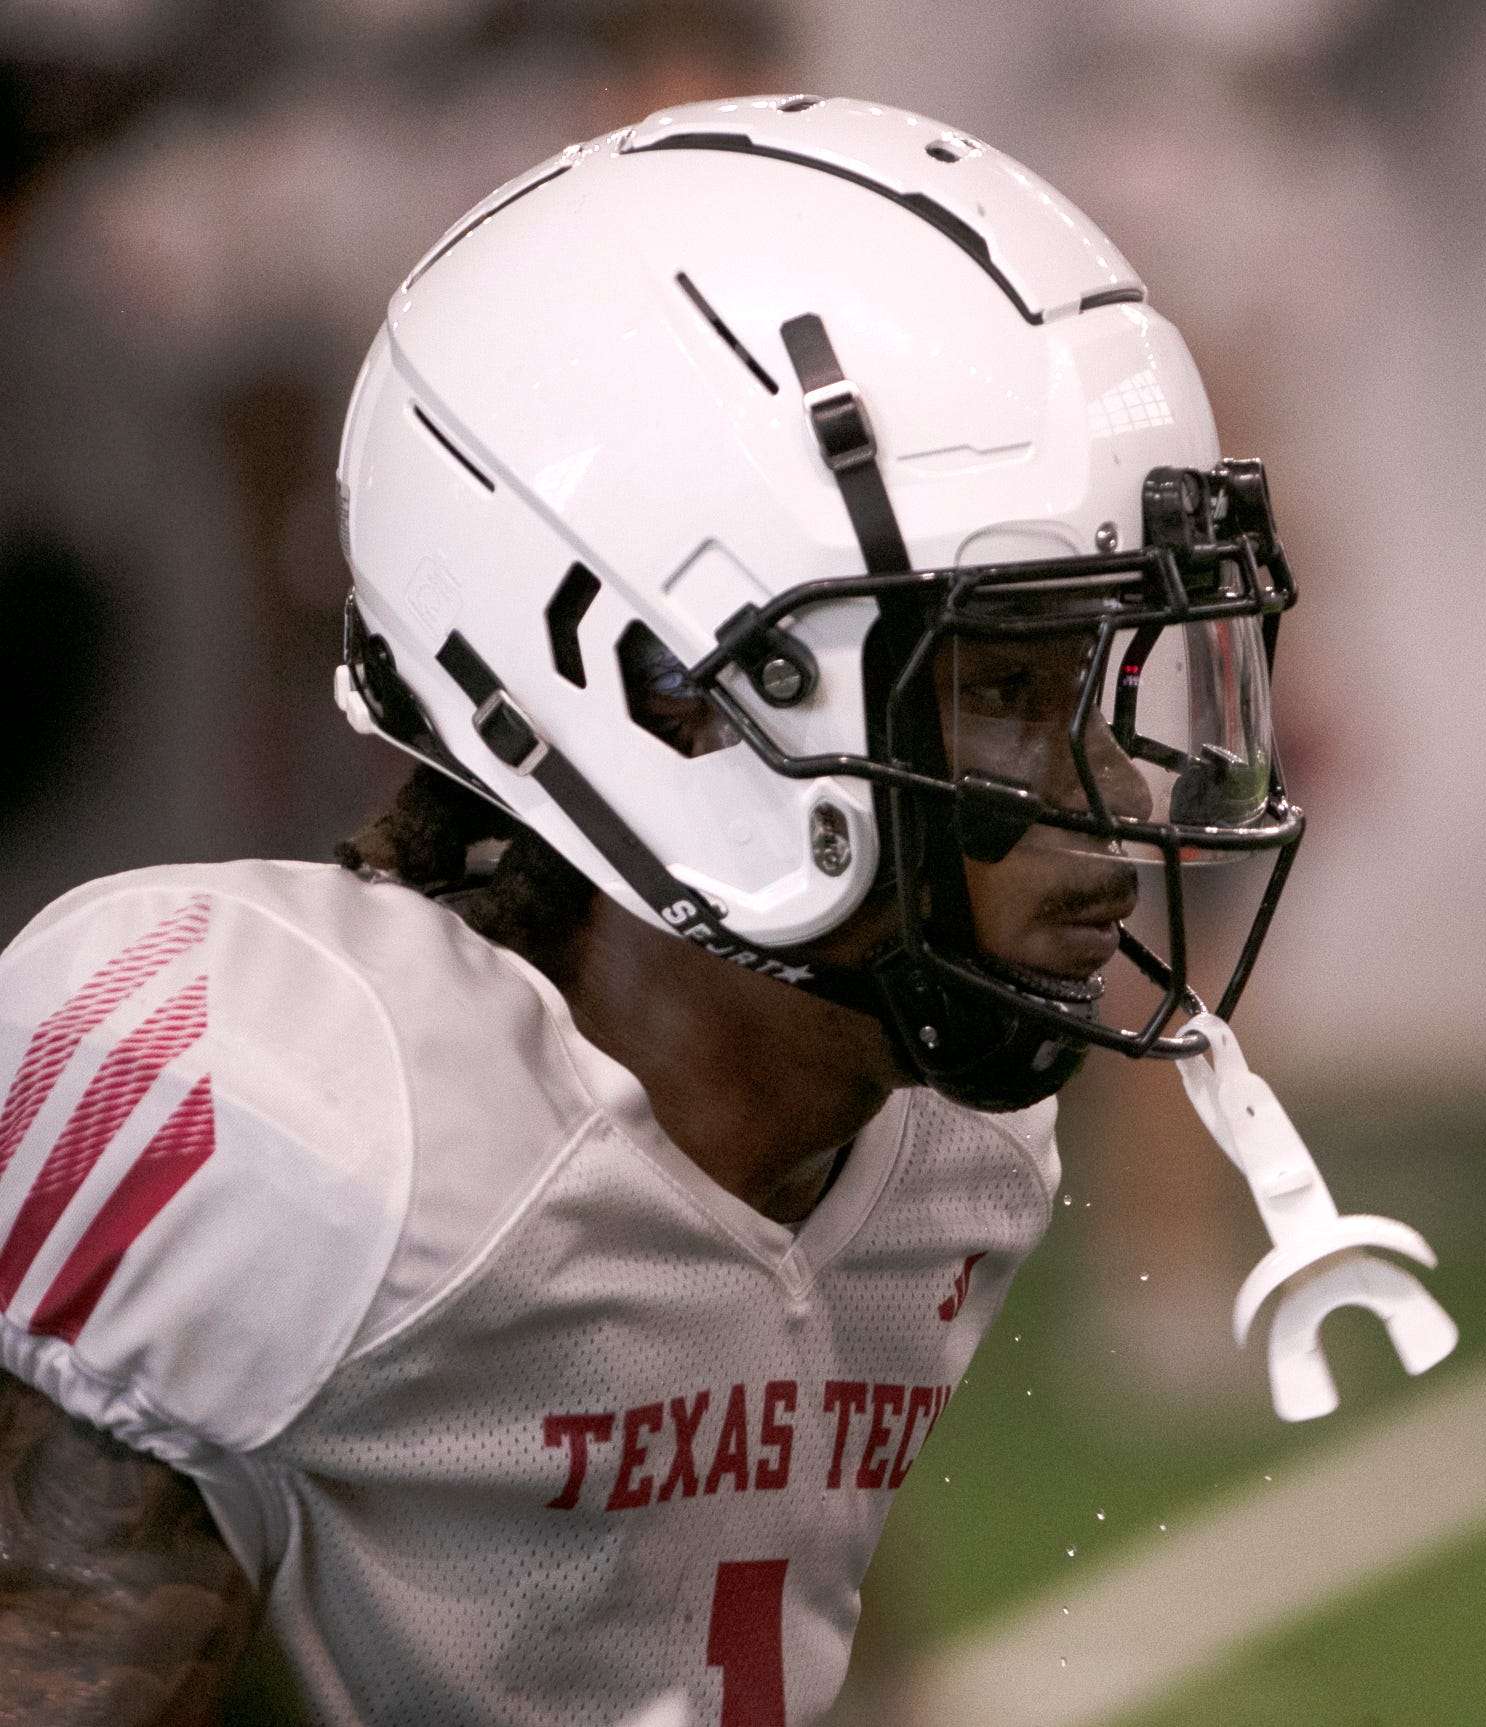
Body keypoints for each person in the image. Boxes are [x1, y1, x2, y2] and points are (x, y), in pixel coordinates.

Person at [0, 95, 1303, 1725]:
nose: (1109, 792)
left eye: (1100, 684)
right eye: (1009, 689)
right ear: (676, 697)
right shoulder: (309, 1126)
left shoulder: (940, 1146)